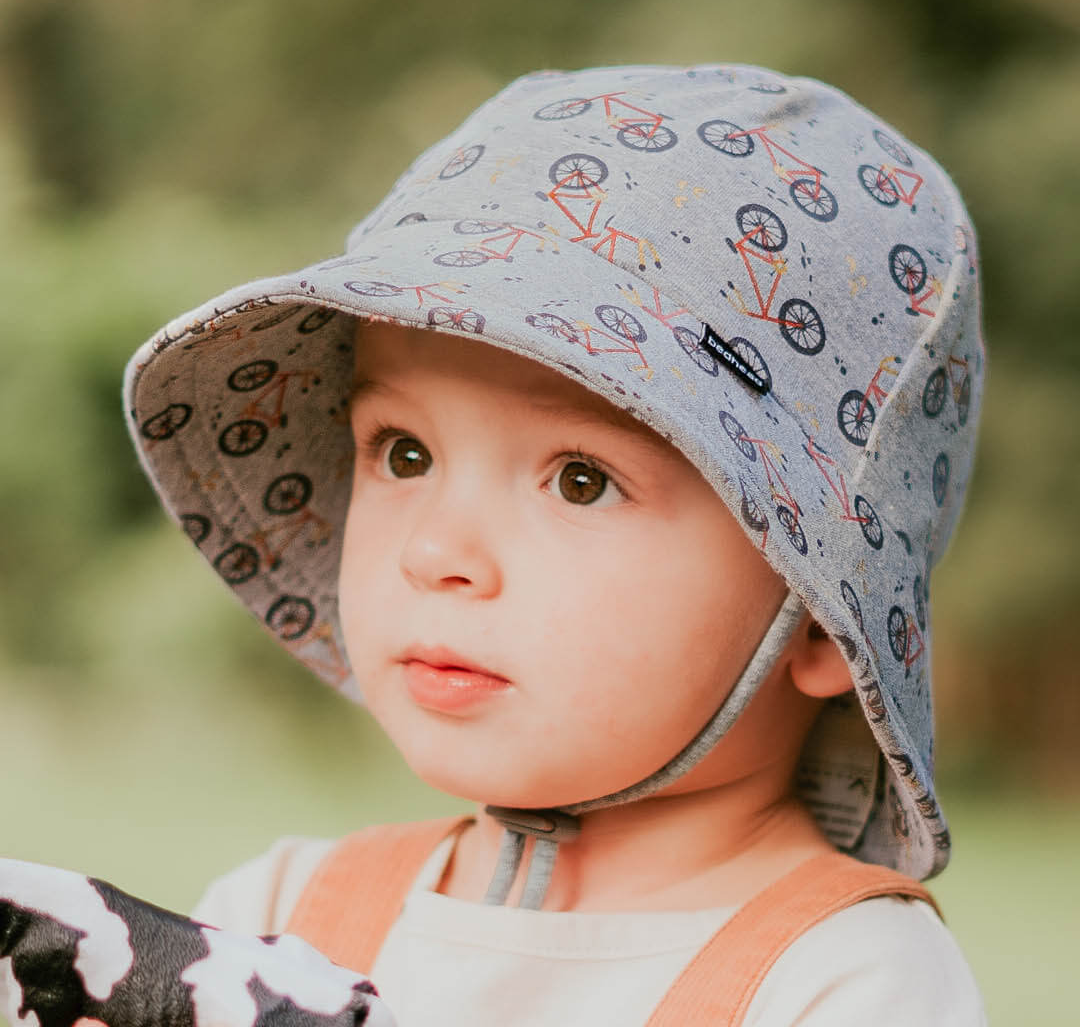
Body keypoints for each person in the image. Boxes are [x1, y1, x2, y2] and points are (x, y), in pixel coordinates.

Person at [124, 63, 987, 1024]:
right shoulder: (274, 924)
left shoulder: (848, 980)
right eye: (404, 453)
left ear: (823, 618)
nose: (435, 553)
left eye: (582, 479)